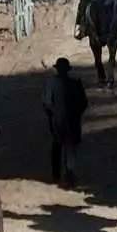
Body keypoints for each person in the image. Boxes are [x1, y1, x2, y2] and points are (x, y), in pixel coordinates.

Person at [42, 58, 88, 188]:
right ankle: (70, 174)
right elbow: (83, 102)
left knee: (57, 146)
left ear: (57, 69)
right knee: (70, 147)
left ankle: (56, 174)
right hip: (72, 119)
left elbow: (46, 103)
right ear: (68, 70)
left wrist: (52, 115)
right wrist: (77, 114)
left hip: (57, 120)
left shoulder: (50, 83)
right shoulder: (75, 83)